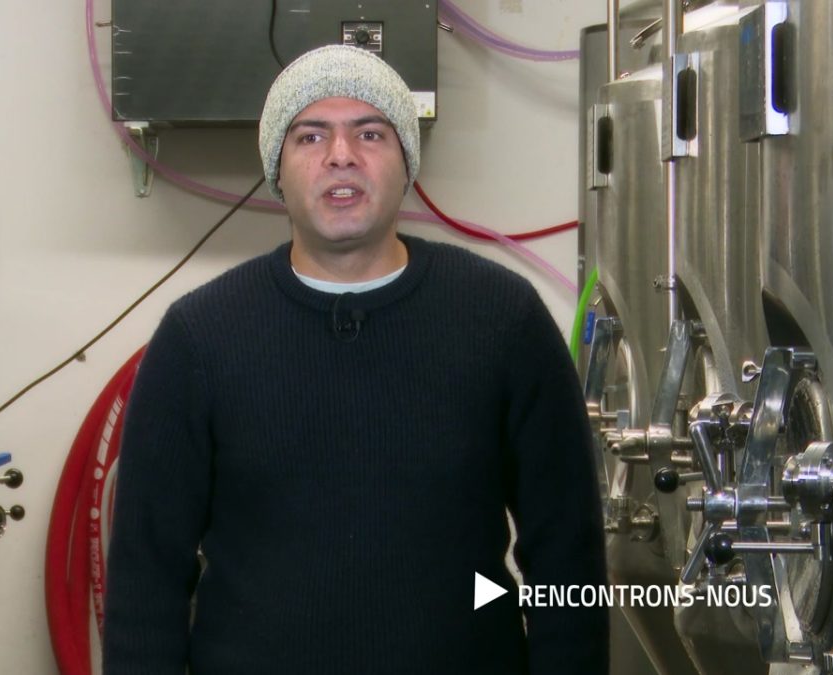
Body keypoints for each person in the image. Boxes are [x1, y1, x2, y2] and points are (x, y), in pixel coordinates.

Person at [103, 45, 607, 674]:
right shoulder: (199, 337)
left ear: (407, 161)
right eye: (310, 135)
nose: (340, 154)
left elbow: (567, 554)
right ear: (277, 167)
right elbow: (145, 578)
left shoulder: (503, 319)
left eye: (370, 133)